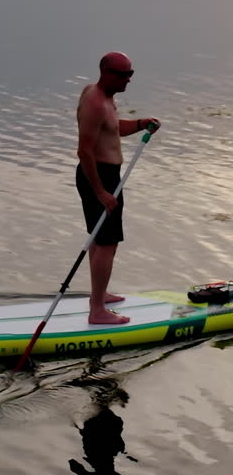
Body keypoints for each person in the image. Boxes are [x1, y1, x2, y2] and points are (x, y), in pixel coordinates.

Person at [76, 52, 159, 326]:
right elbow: (84, 151)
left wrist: (140, 124)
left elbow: (112, 131)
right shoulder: (95, 103)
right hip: (98, 176)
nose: (128, 80)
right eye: (123, 75)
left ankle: (98, 296)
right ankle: (97, 310)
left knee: (100, 240)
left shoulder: (106, 99)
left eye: (130, 74)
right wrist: (101, 191)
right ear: (107, 73)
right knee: (108, 243)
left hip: (108, 176)